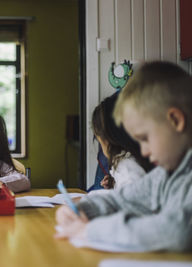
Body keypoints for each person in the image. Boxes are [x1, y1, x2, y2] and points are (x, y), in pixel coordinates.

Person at [55, 61, 192, 252]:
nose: (143, 151)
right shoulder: (165, 174)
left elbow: (177, 231)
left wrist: (91, 230)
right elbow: (121, 200)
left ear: (176, 120)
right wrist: (79, 210)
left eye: (145, 138)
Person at [90, 93, 154, 190]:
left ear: (107, 140)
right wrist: (113, 186)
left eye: (100, 142)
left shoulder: (127, 169)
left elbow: (130, 201)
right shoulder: (124, 165)